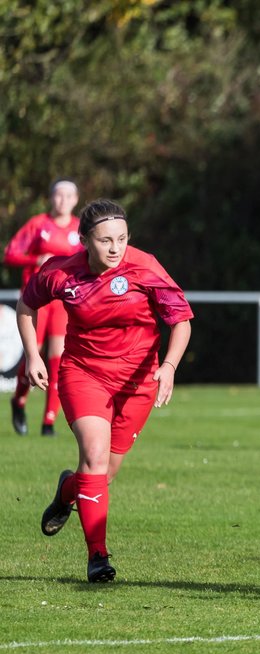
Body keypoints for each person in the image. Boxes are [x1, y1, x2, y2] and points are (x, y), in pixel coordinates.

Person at [18, 200, 193, 583]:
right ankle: (98, 557)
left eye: (122, 239)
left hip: (138, 381)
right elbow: (27, 306)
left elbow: (180, 320)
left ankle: (68, 490)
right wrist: (33, 355)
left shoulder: (144, 267)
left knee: (104, 474)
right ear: (84, 241)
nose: (115, 248)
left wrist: (169, 367)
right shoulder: (61, 273)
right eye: (105, 240)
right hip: (84, 374)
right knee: (95, 457)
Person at [5, 179, 81, 436]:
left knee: (58, 359)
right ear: (51, 198)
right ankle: (19, 400)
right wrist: (35, 259)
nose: (63, 200)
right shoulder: (38, 224)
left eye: (68, 195)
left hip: (63, 301)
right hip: (37, 301)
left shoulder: (80, 230)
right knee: (32, 356)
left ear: (76, 200)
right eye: (58, 195)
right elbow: (10, 253)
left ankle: (49, 422)